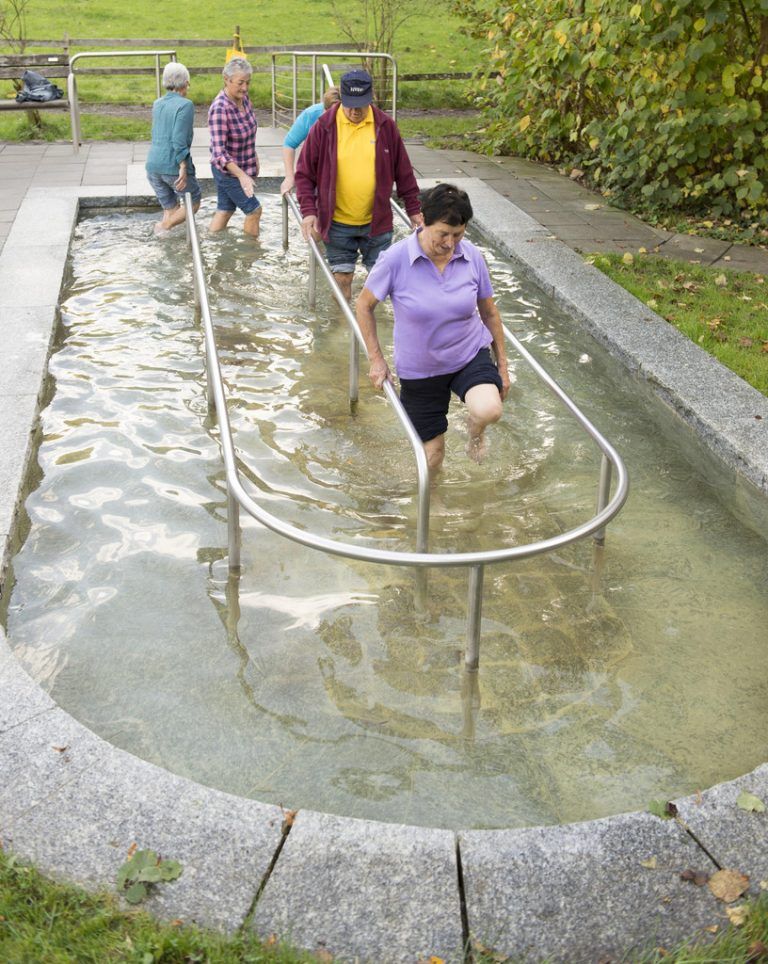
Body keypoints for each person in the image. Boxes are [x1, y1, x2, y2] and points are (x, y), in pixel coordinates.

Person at [356, 183, 510, 477]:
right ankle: (432, 508)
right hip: (421, 369)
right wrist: (377, 360)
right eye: (443, 233)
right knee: (433, 457)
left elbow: (489, 312)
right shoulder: (395, 259)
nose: (451, 243)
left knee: (490, 409)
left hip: (467, 354)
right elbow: (363, 306)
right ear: (423, 221)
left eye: (458, 234)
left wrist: (502, 365)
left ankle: (475, 432)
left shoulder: (471, 256)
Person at [295, 68, 423, 300]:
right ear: (341, 97)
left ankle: (374, 329)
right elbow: (304, 174)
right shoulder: (324, 127)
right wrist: (308, 212)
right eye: (350, 104)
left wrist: (413, 210)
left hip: (377, 222)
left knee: (381, 282)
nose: (355, 111)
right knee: (342, 278)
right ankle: (342, 331)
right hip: (337, 223)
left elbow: (403, 171)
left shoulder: (385, 126)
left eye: (361, 105)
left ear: (370, 98)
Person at [145, 62, 201, 236]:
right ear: (186, 83)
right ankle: (163, 227)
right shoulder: (185, 105)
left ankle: (166, 244)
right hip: (173, 166)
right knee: (194, 202)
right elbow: (178, 140)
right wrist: (183, 166)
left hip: (153, 166)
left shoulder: (157, 103)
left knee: (172, 208)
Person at [207, 57, 261, 238]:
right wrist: (242, 176)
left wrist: (255, 158)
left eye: (248, 82)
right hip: (228, 173)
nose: (245, 88)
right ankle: (250, 255)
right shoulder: (220, 109)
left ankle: (209, 243)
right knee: (254, 211)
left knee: (225, 209)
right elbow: (219, 153)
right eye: (240, 83)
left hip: (243, 169)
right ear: (226, 79)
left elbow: (250, 132)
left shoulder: (244, 100)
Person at [280, 86, 340, 195]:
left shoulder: (352, 117)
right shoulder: (311, 114)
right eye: (328, 114)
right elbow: (289, 144)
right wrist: (289, 176)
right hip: (317, 170)